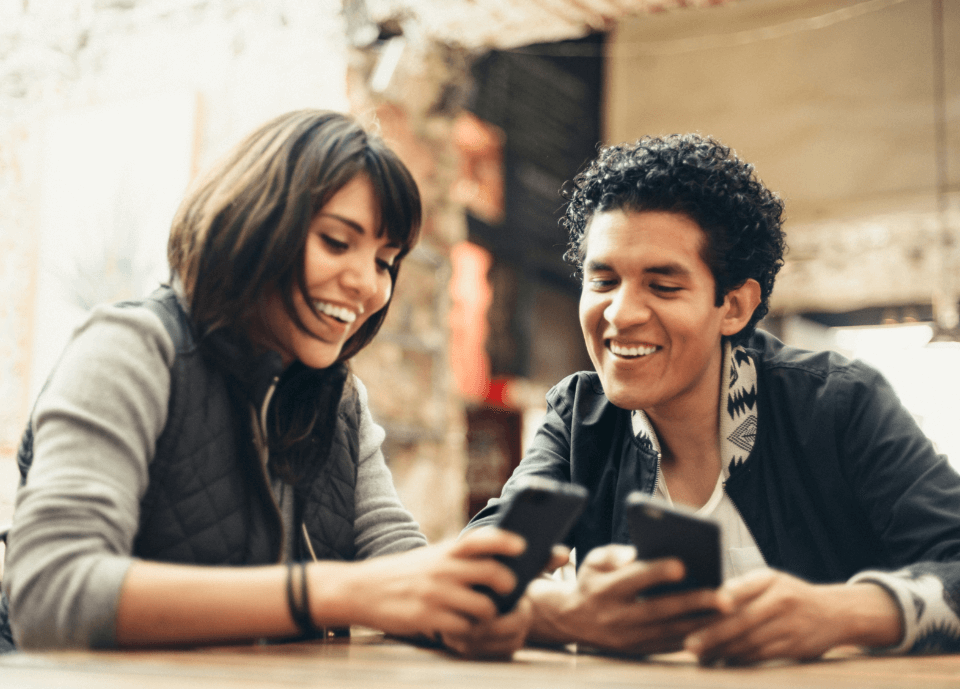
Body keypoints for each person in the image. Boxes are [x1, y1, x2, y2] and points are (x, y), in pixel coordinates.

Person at [0, 110, 528, 654]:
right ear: (255, 221)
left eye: (386, 262)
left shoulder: (340, 399)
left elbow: (396, 563)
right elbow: (49, 597)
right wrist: (330, 592)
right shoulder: (131, 348)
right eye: (336, 242)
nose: (367, 285)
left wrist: (546, 612)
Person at [463, 134, 960, 663]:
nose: (620, 314)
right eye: (603, 280)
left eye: (663, 286)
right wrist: (565, 613)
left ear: (734, 306)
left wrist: (837, 613)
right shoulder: (579, 419)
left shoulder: (837, 403)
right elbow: (473, 575)